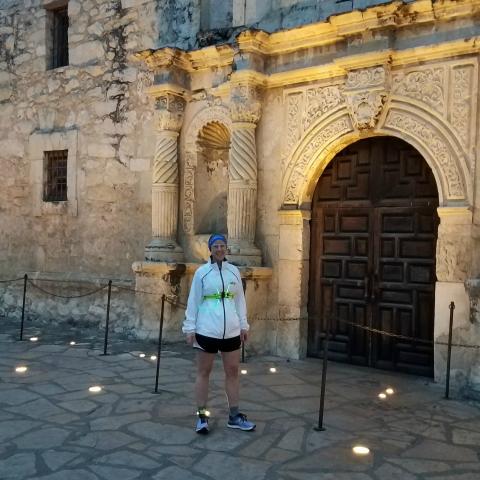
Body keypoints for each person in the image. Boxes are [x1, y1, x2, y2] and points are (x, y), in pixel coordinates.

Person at [183, 233, 256, 434]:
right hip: (207, 330)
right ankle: (202, 417)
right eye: (215, 246)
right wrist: (189, 328)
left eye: (222, 245)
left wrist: (244, 325)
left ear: (226, 249)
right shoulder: (202, 273)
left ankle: (234, 416)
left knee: (232, 372)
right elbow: (194, 301)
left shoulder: (234, 272)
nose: (219, 249)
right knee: (203, 372)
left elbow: (240, 301)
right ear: (210, 249)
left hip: (231, 331)